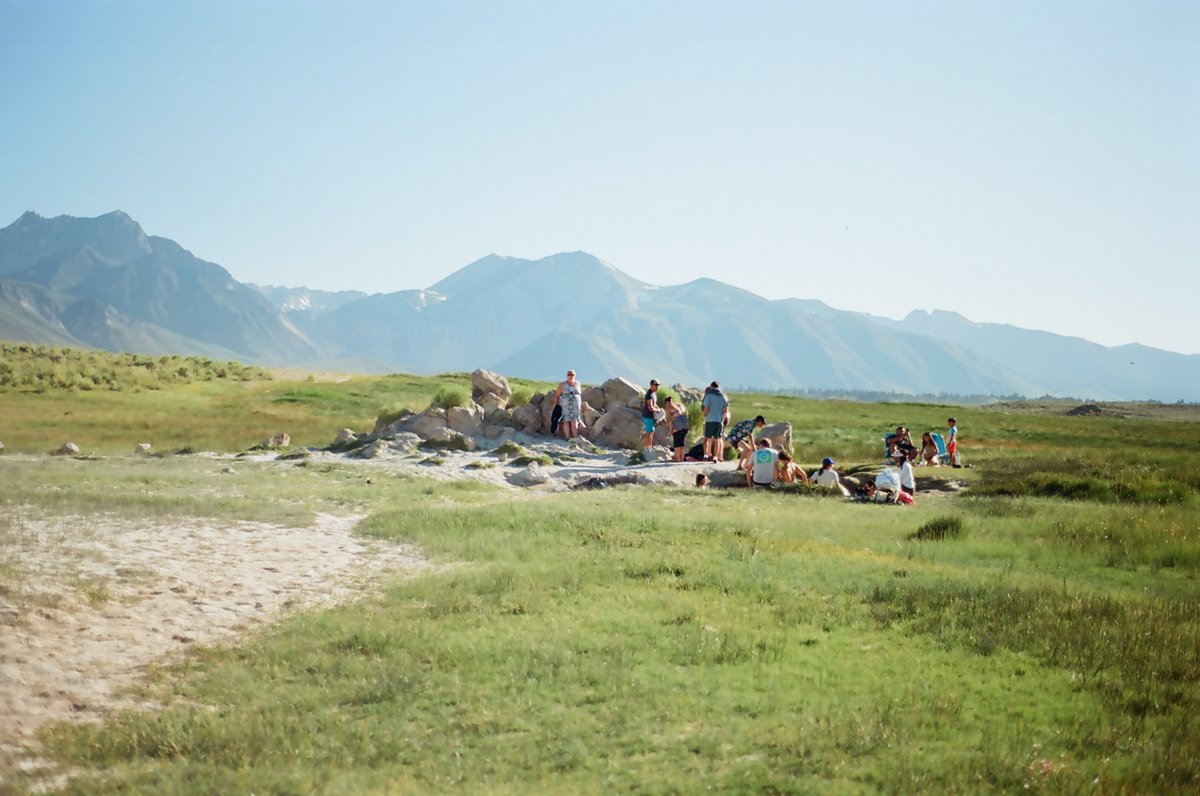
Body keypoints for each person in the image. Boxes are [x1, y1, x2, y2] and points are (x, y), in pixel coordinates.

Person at [700, 381, 729, 462]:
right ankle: (715, 457)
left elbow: (706, 408)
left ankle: (705, 455)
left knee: (706, 440)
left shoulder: (708, 395)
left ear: (711, 386)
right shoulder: (724, 396)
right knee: (717, 440)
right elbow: (725, 410)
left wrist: (705, 415)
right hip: (719, 421)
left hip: (709, 420)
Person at [552, 370, 583, 440]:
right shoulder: (562, 384)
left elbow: (579, 393)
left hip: (575, 406)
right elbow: (557, 395)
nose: (571, 376)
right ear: (567, 375)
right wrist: (555, 405)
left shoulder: (578, 383)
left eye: (572, 375)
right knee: (565, 420)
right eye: (569, 374)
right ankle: (567, 438)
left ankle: (575, 437)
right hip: (565, 405)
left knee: (574, 421)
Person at [663, 395, 689, 462]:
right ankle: (682, 458)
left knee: (676, 442)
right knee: (681, 442)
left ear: (666, 402)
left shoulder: (668, 407)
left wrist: (671, 430)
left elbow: (670, 420)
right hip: (685, 424)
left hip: (678, 425)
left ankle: (677, 458)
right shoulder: (678, 405)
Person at [641, 379, 660, 449]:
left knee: (652, 431)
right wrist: (657, 410)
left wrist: (659, 408)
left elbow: (654, 404)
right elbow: (650, 407)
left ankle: (650, 447)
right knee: (649, 432)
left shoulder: (653, 394)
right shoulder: (649, 394)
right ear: (651, 385)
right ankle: (646, 448)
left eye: (658, 385)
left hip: (651, 416)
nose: (657, 387)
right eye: (656, 385)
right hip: (647, 415)